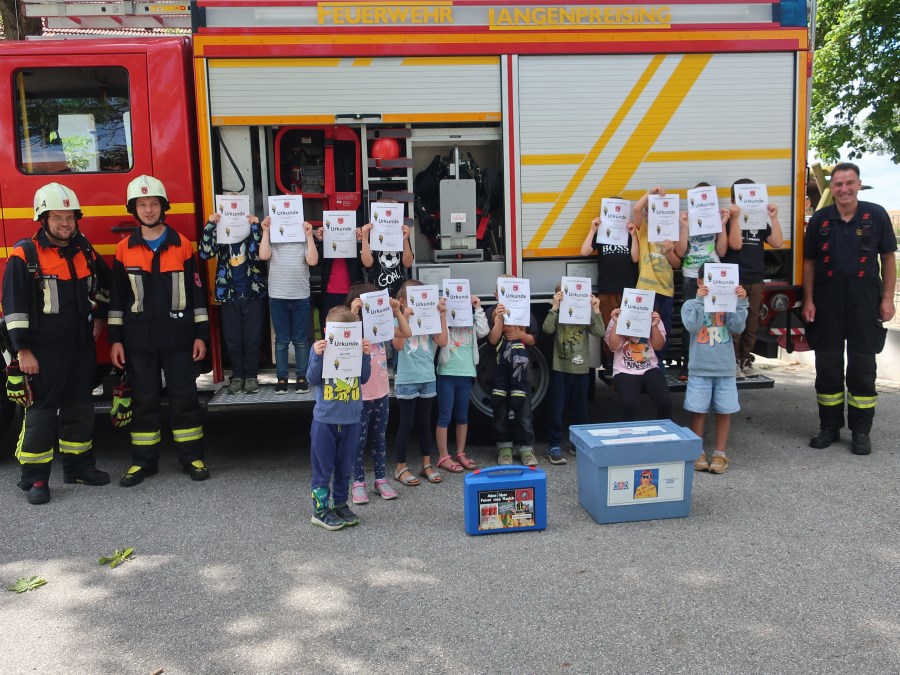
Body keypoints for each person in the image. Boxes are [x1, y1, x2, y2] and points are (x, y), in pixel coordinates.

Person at [2, 183, 111, 504]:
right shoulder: (26, 255)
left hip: (79, 345)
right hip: (42, 348)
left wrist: (101, 315)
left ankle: (78, 467)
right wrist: (23, 351)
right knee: (42, 411)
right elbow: (14, 307)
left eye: (70, 217)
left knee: (80, 406)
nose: (65, 223)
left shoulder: (84, 249)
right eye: (57, 217)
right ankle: (34, 479)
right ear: (42, 218)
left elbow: (103, 285)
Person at [109, 175, 211, 487]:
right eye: (142, 205)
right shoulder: (123, 249)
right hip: (139, 340)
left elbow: (197, 294)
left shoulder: (182, 245)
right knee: (144, 400)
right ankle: (143, 463)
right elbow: (117, 299)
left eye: (153, 203)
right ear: (134, 209)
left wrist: (201, 335)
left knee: (185, 398)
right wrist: (115, 341)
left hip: (179, 337)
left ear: (163, 207)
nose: (149, 209)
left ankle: (191, 457)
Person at [801, 162, 897, 455]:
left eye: (849, 183)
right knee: (827, 367)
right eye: (839, 184)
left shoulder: (876, 215)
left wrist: (887, 299)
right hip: (827, 301)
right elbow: (808, 263)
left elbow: (889, 259)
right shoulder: (820, 220)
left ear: (858, 185)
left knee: (862, 368)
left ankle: (860, 432)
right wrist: (808, 300)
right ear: (832, 188)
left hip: (865, 300)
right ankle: (829, 428)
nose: (844, 189)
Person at [307, 305, 372, 530]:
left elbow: (364, 378)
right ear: (327, 330)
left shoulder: (358, 350)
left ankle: (341, 504)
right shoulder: (320, 350)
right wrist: (316, 355)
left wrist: (365, 356)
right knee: (323, 468)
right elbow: (312, 378)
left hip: (351, 419)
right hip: (325, 421)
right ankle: (320, 510)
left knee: (345, 467)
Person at [345, 283, 410, 504]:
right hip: (359, 396)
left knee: (380, 439)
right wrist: (353, 313)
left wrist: (395, 311)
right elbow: (344, 342)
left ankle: (380, 479)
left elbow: (407, 332)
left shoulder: (381, 328)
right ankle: (358, 483)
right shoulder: (354, 330)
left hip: (381, 394)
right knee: (358, 441)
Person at [682, 264, 749, 474]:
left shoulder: (728, 305)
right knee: (698, 411)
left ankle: (720, 454)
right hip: (700, 368)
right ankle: (697, 451)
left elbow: (738, 328)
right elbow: (692, 327)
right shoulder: (690, 305)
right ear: (700, 282)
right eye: (707, 281)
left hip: (725, 368)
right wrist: (701, 301)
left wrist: (741, 302)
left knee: (724, 411)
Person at [199, 208, 266, 394]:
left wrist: (254, 227)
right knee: (233, 339)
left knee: (252, 339)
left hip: (252, 294)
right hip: (228, 295)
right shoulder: (221, 235)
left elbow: (256, 254)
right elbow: (205, 253)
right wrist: (211, 225)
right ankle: (237, 376)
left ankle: (251, 376)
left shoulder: (251, 232)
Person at [723, 178, 784, 377]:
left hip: (756, 279)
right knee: (735, 323)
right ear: (733, 199)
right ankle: (732, 361)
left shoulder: (760, 221)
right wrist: (734, 218)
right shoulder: (729, 221)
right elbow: (735, 245)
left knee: (752, 322)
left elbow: (776, 242)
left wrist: (773, 217)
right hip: (735, 280)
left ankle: (745, 360)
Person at [392, 279, 448, 486]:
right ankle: (400, 467)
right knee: (406, 424)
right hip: (407, 379)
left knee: (425, 423)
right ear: (403, 301)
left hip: (427, 378)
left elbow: (442, 341)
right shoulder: (399, 320)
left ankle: (426, 464)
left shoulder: (431, 318)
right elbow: (397, 346)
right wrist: (403, 316)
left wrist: (441, 316)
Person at [542, 287, 605, 463]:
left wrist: (596, 309)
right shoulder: (558, 313)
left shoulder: (584, 315)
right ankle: (553, 445)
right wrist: (554, 306)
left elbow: (600, 332)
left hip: (581, 369)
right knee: (557, 408)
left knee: (580, 409)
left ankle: (578, 443)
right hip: (560, 368)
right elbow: (546, 329)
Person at [260, 216, 318, 394]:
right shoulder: (274, 234)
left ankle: (302, 377)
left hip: (300, 295)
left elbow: (313, 260)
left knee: (301, 341)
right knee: (281, 341)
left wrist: (309, 236)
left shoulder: (303, 234)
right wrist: (266, 231)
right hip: (278, 296)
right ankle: (282, 378)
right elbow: (263, 255)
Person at [435, 291, 489, 472]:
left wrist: (478, 308)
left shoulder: (472, 321)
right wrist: (440, 310)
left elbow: (484, 331)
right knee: (444, 416)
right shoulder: (446, 321)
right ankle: (443, 456)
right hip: (447, 373)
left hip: (466, 373)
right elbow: (437, 335)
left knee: (462, 416)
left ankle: (460, 453)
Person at [488, 276, 539, 466]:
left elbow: (534, 339)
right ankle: (504, 447)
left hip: (521, 371)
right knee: (499, 407)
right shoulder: (492, 311)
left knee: (524, 410)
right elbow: (492, 340)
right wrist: (499, 318)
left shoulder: (526, 312)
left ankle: (526, 448)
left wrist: (521, 335)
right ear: (496, 295)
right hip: (500, 369)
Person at [629, 187, 682, 365]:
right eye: (652, 210)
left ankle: (658, 364)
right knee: (641, 329)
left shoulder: (672, 235)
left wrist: (669, 252)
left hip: (665, 291)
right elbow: (636, 209)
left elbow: (677, 264)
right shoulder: (644, 231)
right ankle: (641, 364)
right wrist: (650, 193)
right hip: (645, 290)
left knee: (662, 329)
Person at [580, 207, 637, 368]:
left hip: (627, 292)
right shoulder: (601, 235)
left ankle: (629, 366)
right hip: (606, 291)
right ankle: (614, 367)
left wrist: (633, 234)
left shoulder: (629, 234)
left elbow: (635, 258)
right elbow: (584, 251)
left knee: (629, 331)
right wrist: (593, 229)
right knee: (609, 333)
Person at [604, 308, 671, 422]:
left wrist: (654, 325)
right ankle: (627, 434)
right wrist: (616, 321)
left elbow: (659, 346)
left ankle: (664, 433)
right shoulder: (618, 316)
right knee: (629, 403)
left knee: (665, 402)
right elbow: (613, 347)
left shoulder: (654, 317)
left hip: (650, 367)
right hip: (624, 370)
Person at [360, 219, 414, 298]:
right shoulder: (371, 234)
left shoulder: (400, 235)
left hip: (398, 290)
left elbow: (408, 263)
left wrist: (405, 239)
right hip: (376, 289)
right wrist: (364, 238)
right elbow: (367, 263)